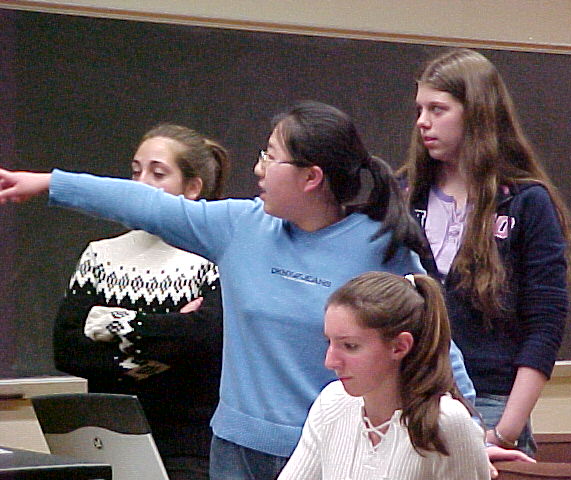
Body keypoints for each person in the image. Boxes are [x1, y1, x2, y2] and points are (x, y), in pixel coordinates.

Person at [0, 101, 476, 480]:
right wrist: (49, 183)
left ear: (311, 177)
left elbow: (434, 341)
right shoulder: (240, 227)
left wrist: (469, 425)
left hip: (329, 445)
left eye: (270, 155)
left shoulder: (379, 247)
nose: (257, 168)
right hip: (233, 448)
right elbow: (144, 204)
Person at [399, 48, 571, 457]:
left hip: (490, 405)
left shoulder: (526, 202)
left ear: (477, 113)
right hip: (410, 399)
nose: (423, 122)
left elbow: (546, 324)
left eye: (438, 109)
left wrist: (504, 431)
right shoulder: (405, 194)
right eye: (420, 110)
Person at [53, 123, 229, 480]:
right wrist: (169, 335)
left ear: (192, 188)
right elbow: (68, 349)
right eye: (136, 172)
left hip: (188, 447)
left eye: (158, 173)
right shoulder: (99, 256)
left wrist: (116, 323)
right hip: (107, 437)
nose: (140, 183)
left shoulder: (214, 258)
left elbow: (207, 341)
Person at [278, 271, 491, 479]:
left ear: (399, 347)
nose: (330, 362)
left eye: (350, 346)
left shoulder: (447, 422)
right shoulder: (331, 402)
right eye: (329, 342)